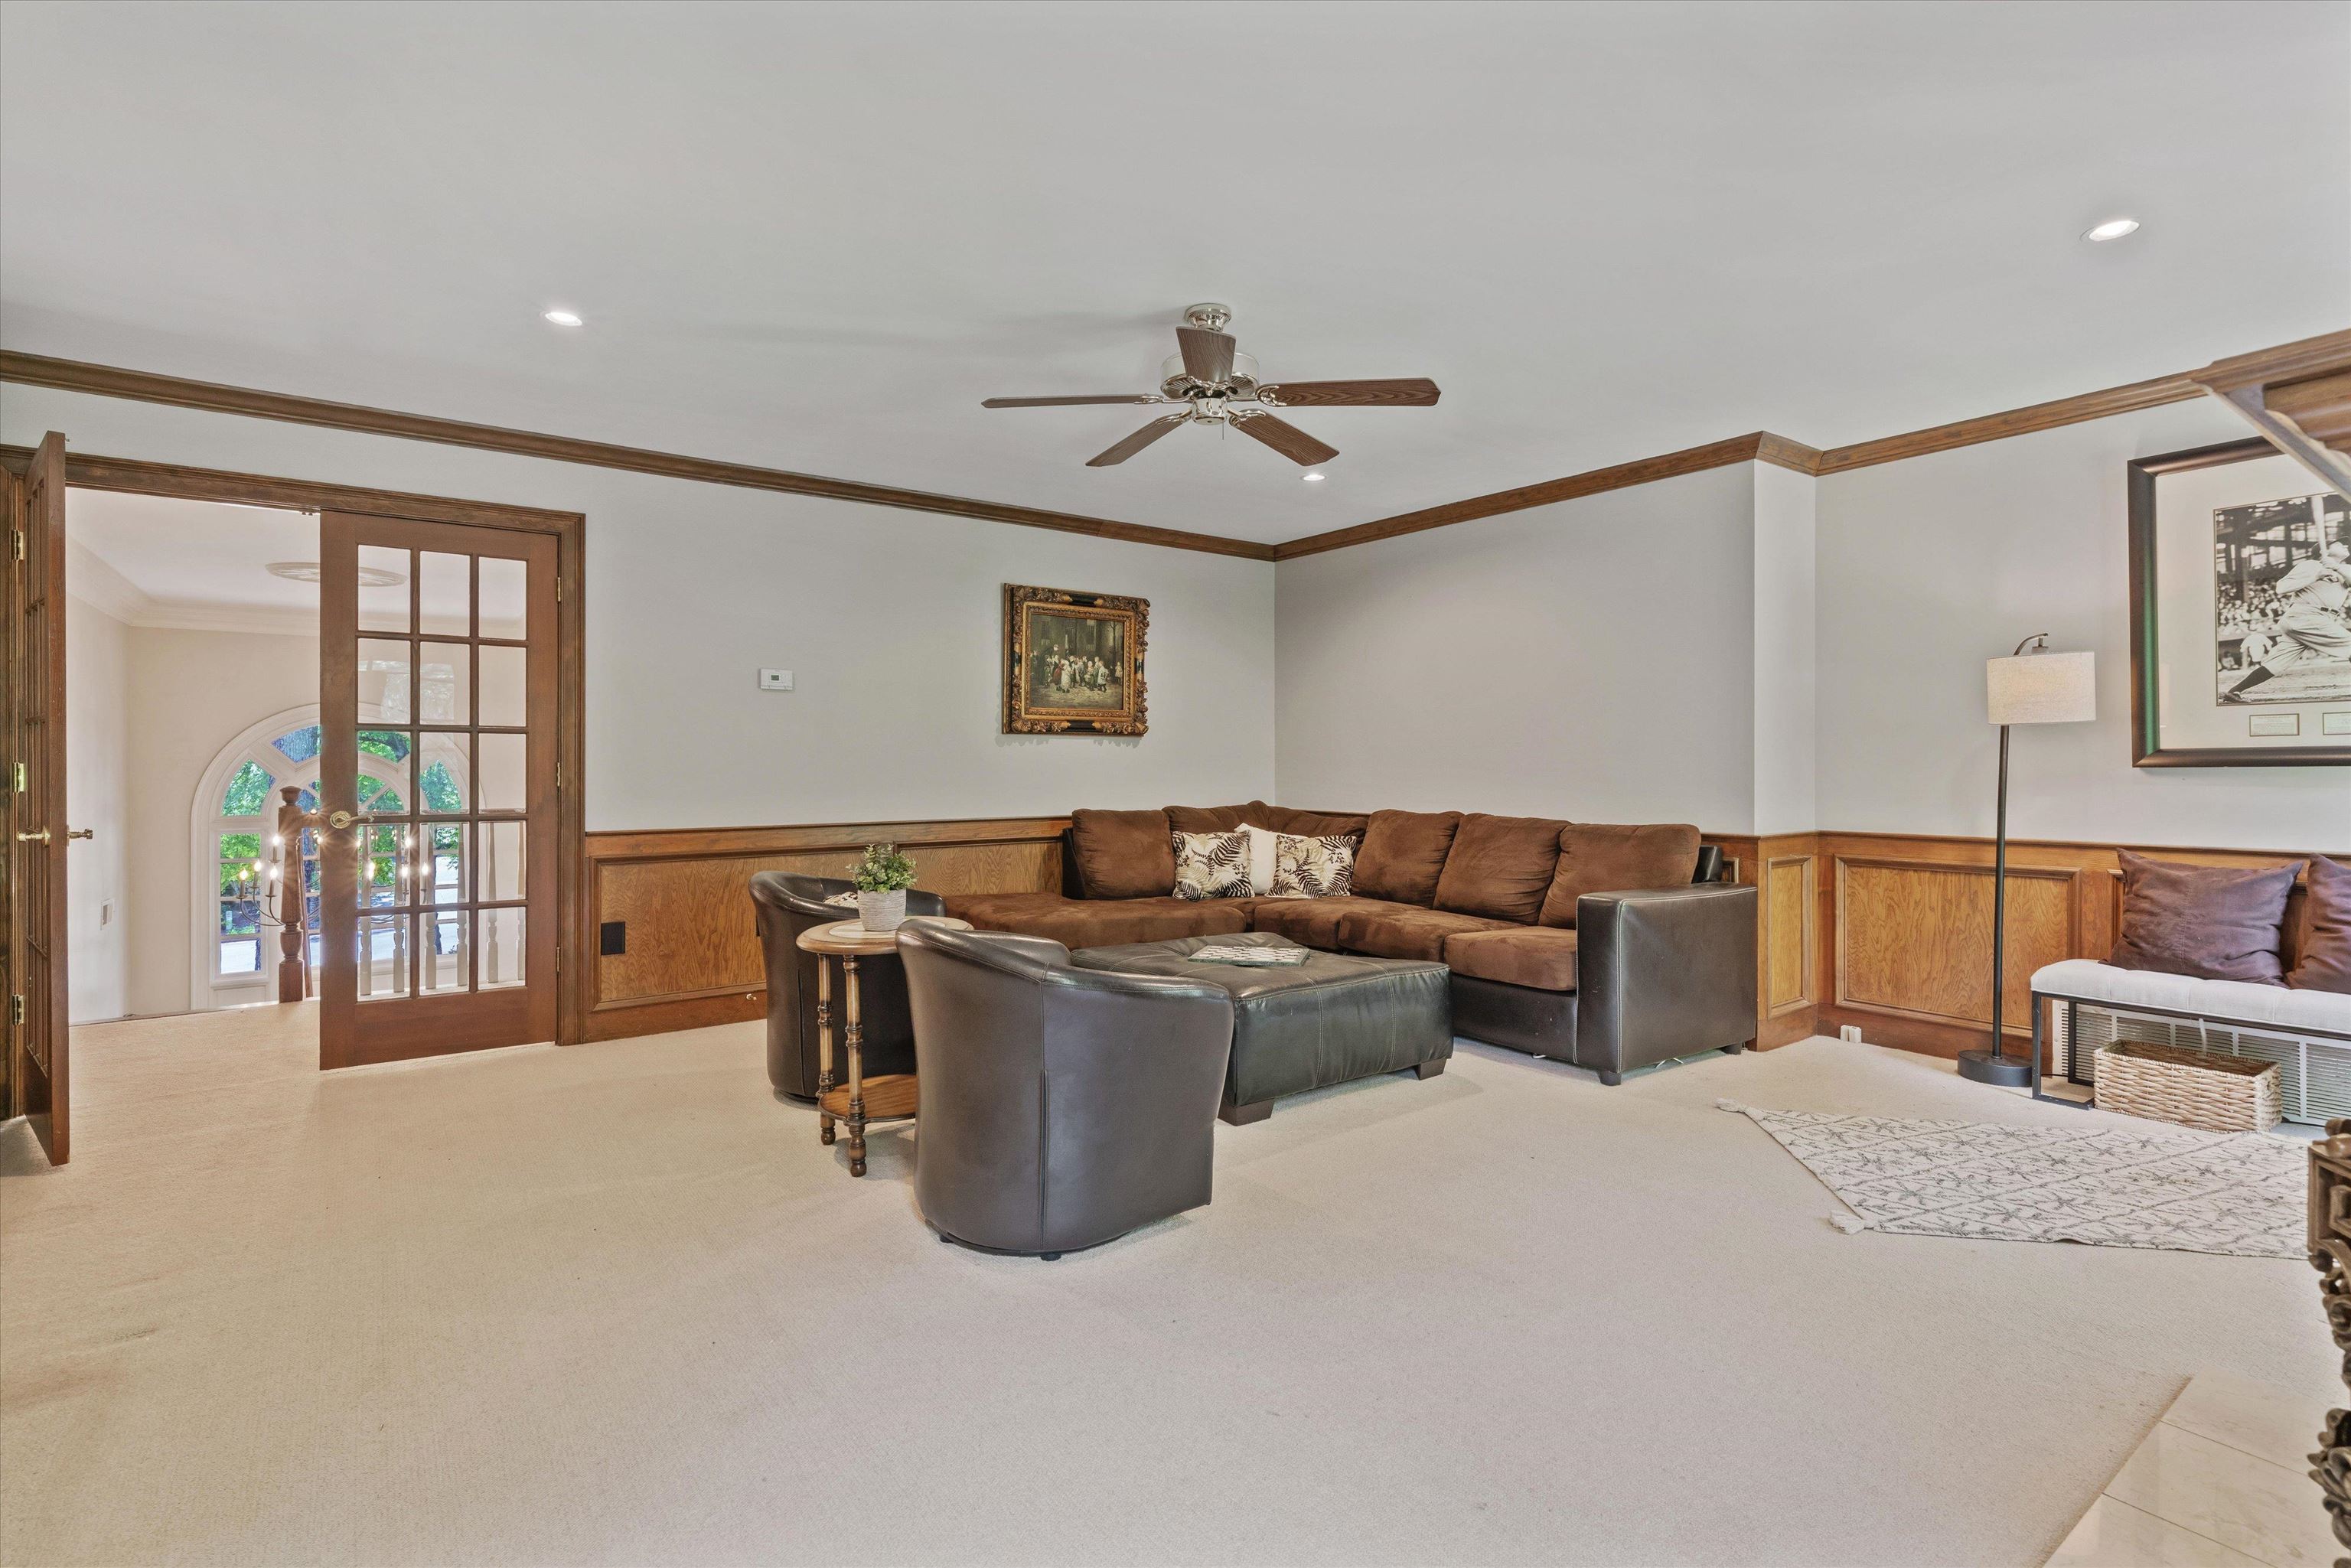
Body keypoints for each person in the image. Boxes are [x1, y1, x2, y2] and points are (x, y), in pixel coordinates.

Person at [2222, 539, 2351, 703]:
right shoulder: (2311, 565)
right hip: (2306, 615)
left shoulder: (2345, 568)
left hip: (2318, 619)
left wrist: (2336, 567)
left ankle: (2235, 691)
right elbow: (2281, 588)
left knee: (2277, 663)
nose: (2344, 545)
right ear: (2323, 551)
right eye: (2339, 544)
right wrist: (2315, 576)